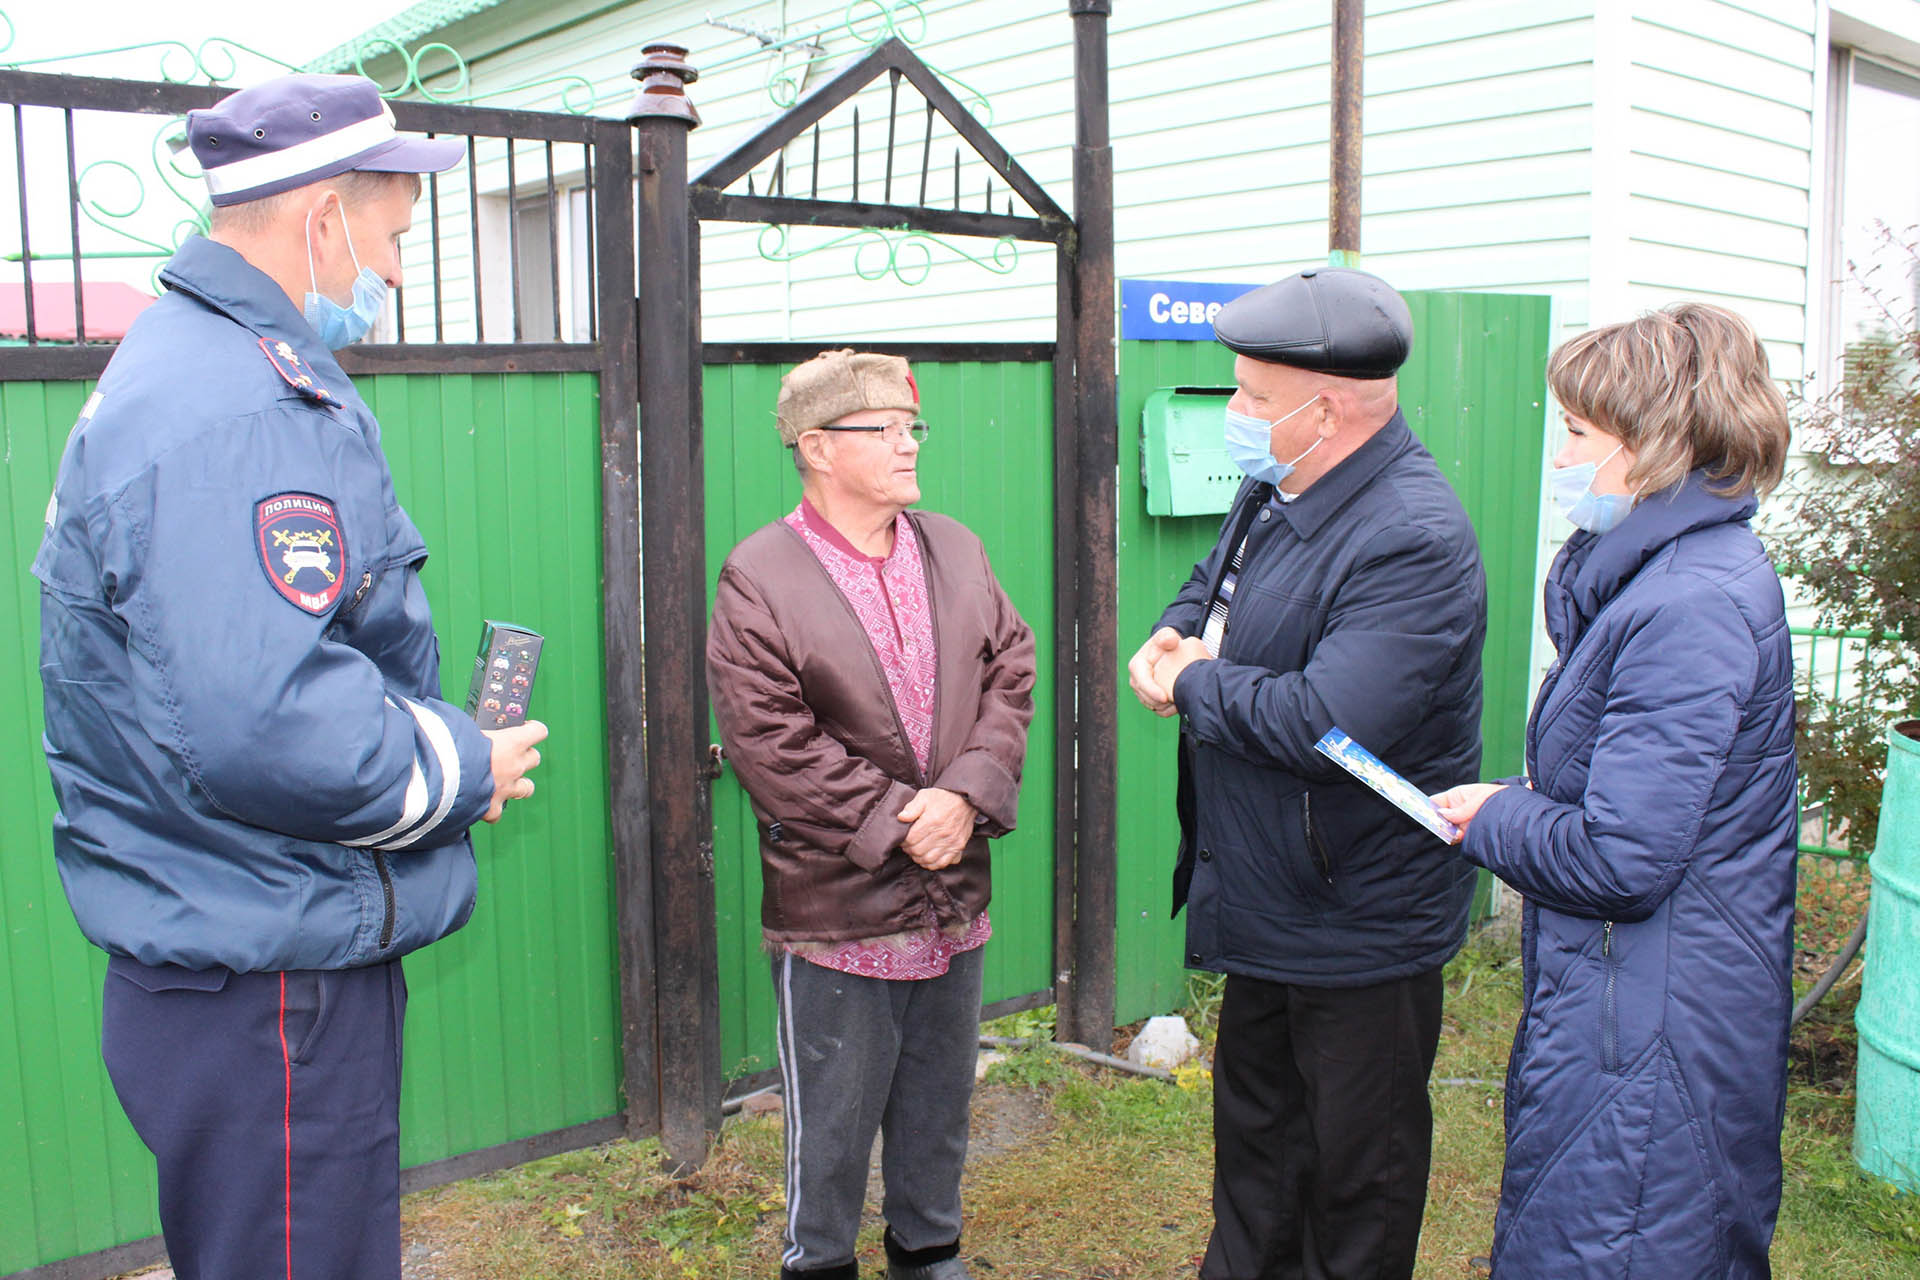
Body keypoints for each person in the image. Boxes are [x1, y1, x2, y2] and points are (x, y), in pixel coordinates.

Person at [32, 74, 547, 1280]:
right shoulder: (235, 407)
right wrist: (465, 763)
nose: (399, 273)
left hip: (242, 943)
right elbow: (266, 718)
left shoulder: (189, 371)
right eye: (393, 236)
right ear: (321, 217)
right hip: (268, 974)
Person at [1127, 267, 1488, 1280]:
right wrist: (1172, 632)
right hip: (1271, 889)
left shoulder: (1412, 535)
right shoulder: (1281, 479)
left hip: (1359, 912)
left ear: (1324, 411)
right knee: (1259, 1146)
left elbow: (1326, 720)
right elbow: (1217, 579)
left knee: (1353, 1175)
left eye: (1251, 396)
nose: (1235, 415)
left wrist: (1194, 683)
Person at [1432, 303, 1797, 1278]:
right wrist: (1514, 797)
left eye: (1578, 433)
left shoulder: (1690, 605)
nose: (1560, 454)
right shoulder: (1659, 580)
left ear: (1657, 446)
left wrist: (1500, 817)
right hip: (1625, 1003)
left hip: (1653, 1034)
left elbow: (1622, 854)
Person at [706, 349, 1036, 1280]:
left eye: (912, 427)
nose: (907, 445)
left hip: (953, 895)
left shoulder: (955, 546)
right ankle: (819, 1264)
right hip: (839, 908)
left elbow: (1011, 669)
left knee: (938, 1103)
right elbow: (771, 742)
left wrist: (966, 795)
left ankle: (930, 1254)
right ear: (816, 447)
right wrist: (904, 820)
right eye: (883, 430)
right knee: (835, 1127)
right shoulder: (759, 576)